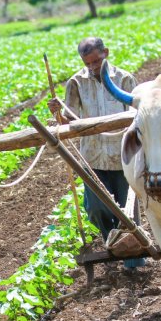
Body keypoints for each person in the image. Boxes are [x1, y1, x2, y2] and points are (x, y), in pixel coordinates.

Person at [57, 37, 145, 270]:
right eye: (88, 64)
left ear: (106, 53)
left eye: (97, 61)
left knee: (128, 213)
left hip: (123, 155)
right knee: (96, 209)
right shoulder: (76, 83)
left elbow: (137, 114)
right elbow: (69, 120)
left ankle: (133, 263)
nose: (93, 67)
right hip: (93, 156)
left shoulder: (125, 79)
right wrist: (58, 113)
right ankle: (113, 241)